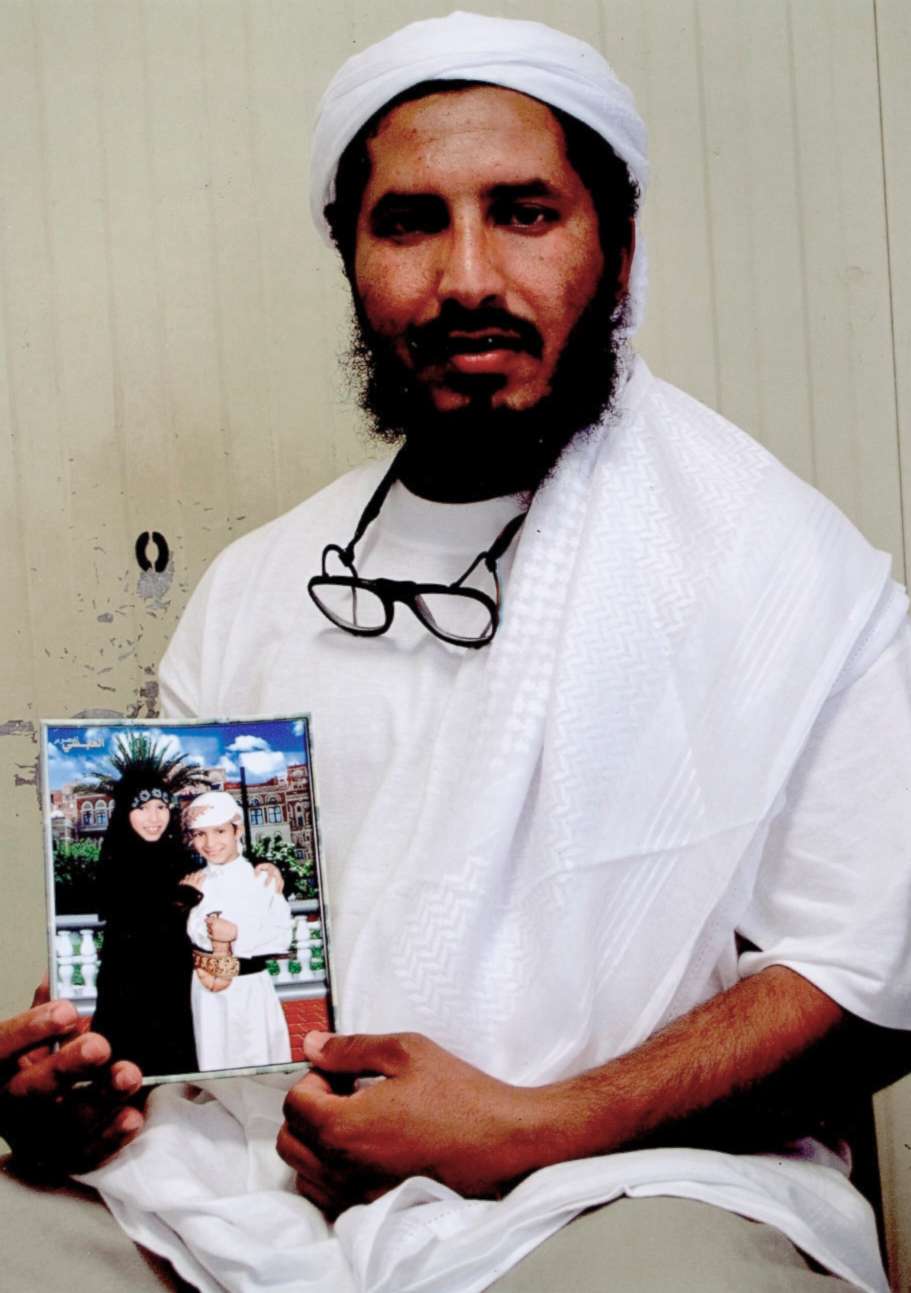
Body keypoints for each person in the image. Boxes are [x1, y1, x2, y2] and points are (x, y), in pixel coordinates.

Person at [1, 13, 910, 1293]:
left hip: (633, 1184)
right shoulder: (258, 586)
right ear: (351, 257)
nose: (467, 278)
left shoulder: (783, 575)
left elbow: (865, 971)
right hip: (259, 1178)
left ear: (618, 245)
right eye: (411, 221)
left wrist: (530, 1129)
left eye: (525, 212)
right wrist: (90, 1073)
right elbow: (202, 972)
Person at [89, 734, 204, 1079]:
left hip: (176, 990)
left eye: (160, 807)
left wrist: (268, 870)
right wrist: (178, 901)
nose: (154, 818)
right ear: (126, 812)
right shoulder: (115, 860)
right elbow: (130, 922)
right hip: (130, 995)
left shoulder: (180, 857)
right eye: (142, 808)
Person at [181, 790, 293, 1072]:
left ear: (238, 830)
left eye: (219, 831)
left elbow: (282, 936)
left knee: (256, 1061)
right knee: (212, 1060)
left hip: (249, 989)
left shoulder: (260, 879)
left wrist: (235, 935)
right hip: (206, 992)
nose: (210, 843)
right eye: (200, 834)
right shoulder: (194, 883)